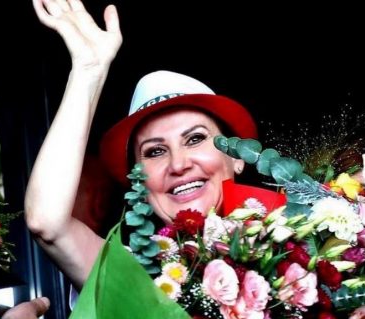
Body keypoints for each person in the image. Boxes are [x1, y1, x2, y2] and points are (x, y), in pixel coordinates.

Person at [26, 0, 257, 289]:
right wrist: (88, 72)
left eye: (195, 138)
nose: (178, 164)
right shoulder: (135, 280)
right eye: (155, 151)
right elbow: (47, 223)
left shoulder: (305, 246)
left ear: (237, 156)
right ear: (139, 183)